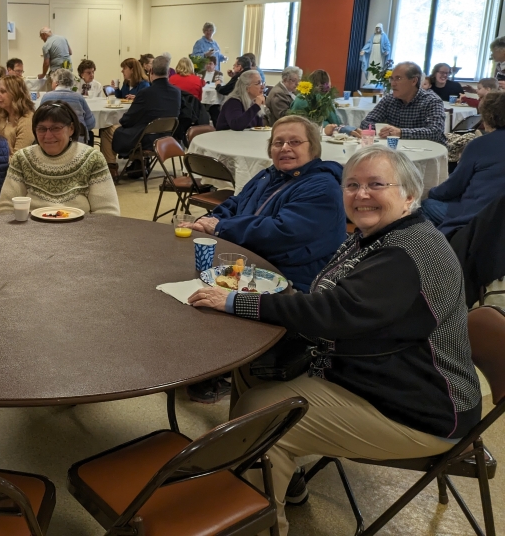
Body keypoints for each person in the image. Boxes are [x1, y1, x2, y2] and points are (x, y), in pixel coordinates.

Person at [188, 145, 482, 536]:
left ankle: (256, 522)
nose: (361, 194)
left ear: (410, 195)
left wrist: (237, 301)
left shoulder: (407, 254)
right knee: (252, 368)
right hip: (379, 373)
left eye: (376, 184)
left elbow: (332, 313)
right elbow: (334, 307)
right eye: (353, 185)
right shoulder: (381, 234)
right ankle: (276, 481)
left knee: (262, 419)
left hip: (421, 407)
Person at [183, 116, 346, 291]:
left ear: (313, 147)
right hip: (250, 266)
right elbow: (237, 203)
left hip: (291, 284)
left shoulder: (322, 188)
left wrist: (220, 227)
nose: (285, 148)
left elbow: (282, 233)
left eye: (295, 142)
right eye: (278, 143)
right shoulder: (268, 175)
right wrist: (208, 220)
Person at [0, 102, 119, 215]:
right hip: (32, 233)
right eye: (42, 129)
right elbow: (6, 209)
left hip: (80, 233)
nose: (48, 136)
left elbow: (107, 212)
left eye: (56, 128)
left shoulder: (92, 159)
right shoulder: (22, 159)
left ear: (71, 129)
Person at [423, 91, 505, 237]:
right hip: (496, 218)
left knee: (426, 205)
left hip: (478, 218)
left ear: (487, 116)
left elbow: (454, 186)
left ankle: (439, 253)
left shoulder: (480, 144)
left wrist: (431, 192)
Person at [99, 56, 181, 178]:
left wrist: (122, 122)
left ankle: (111, 169)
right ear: (168, 72)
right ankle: (138, 163)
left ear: (151, 72)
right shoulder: (177, 92)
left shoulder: (145, 93)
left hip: (145, 139)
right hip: (167, 137)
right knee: (134, 129)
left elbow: (128, 120)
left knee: (106, 129)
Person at [355, 62, 446, 144]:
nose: (393, 84)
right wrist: (382, 130)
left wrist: (400, 133)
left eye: (398, 78)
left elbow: (435, 132)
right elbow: (366, 123)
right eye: (392, 79)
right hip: (396, 150)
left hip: (428, 152)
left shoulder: (431, 101)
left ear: (414, 81)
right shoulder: (389, 99)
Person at [40, 68, 96, 133]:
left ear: (56, 83)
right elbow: (91, 124)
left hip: (51, 137)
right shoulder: (79, 98)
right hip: (77, 139)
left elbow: (39, 121)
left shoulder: (46, 97)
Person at [0, 74, 35, 153]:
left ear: (15, 93)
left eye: (2, 91)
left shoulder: (27, 119)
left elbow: (17, 157)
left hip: (10, 164)